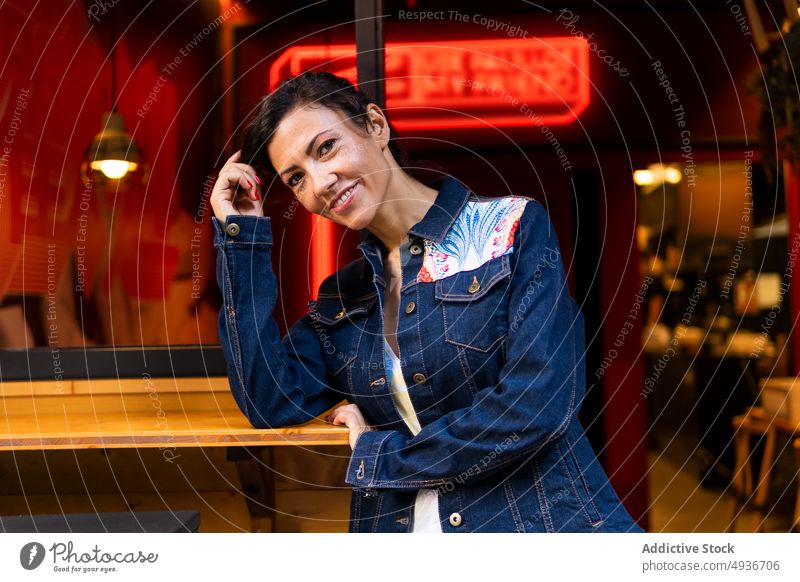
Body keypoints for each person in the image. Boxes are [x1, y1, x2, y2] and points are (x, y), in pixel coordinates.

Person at [210, 71, 643, 533]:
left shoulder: (508, 229)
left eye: (326, 148)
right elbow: (270, 400)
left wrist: (381, 457)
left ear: (375, 126)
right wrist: (242, 240)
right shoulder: (344, 300)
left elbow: (536, 404)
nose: (319, 183)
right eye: (296, 178)